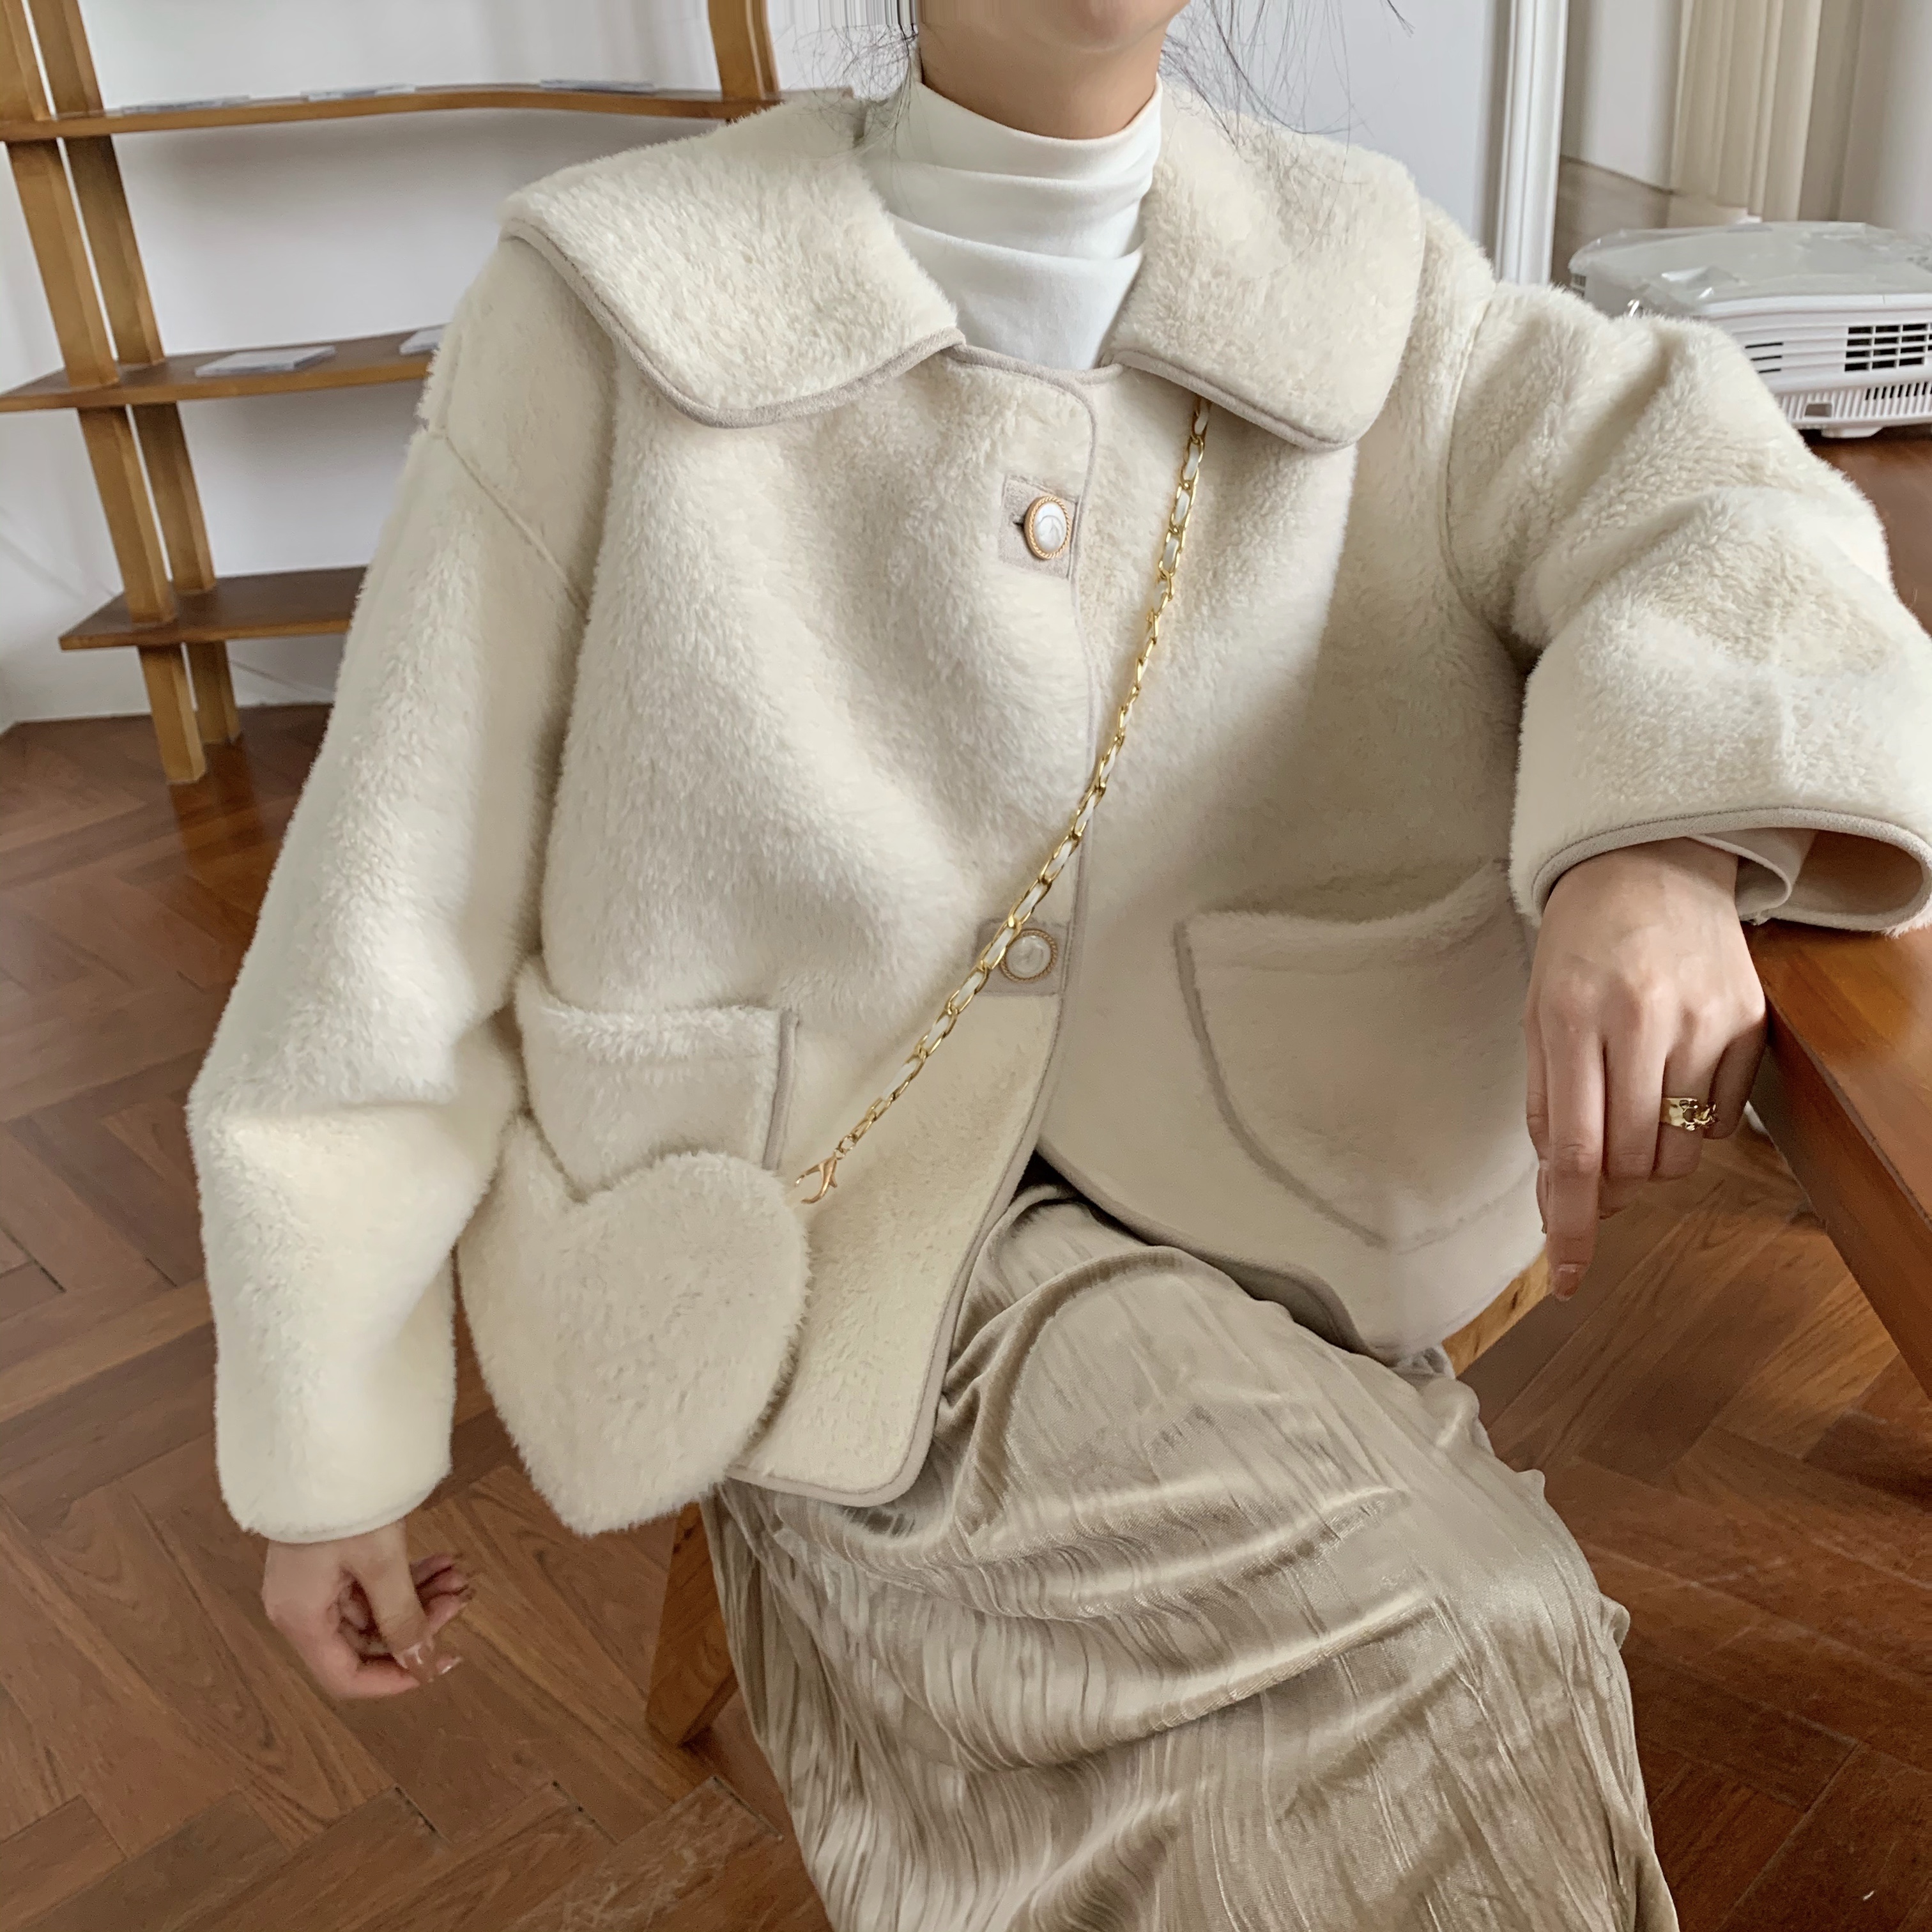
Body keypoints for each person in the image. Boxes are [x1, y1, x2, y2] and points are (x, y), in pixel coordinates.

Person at [188, 3, 1932, 1927]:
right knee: (1457, 1644)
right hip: (822, 1246)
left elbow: (1715, 489)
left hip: (1288, 1222)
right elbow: (389, 912)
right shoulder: (615, 304)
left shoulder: (1372, 283)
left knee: (1430, 1669)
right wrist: (329, 1444)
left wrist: (1659, 847)